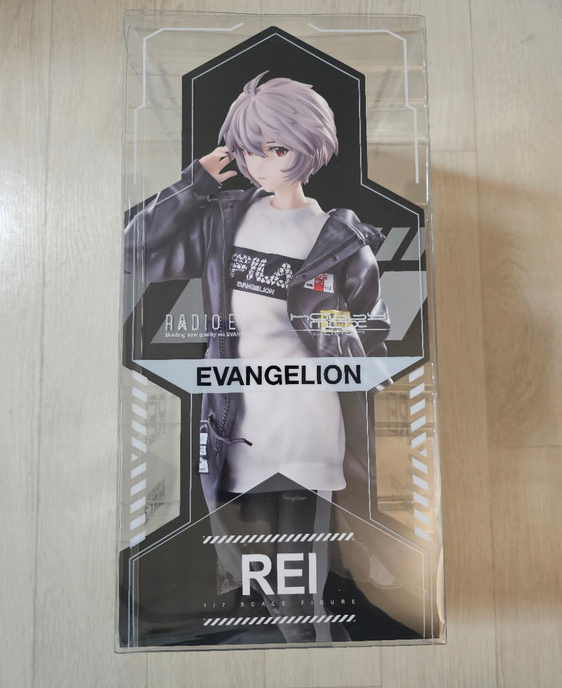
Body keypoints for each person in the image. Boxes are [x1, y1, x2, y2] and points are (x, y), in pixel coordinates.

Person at [124, 72, 391, 642]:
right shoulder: (226, 220)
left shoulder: (340, 238)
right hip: (235, 430)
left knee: (297, 589)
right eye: (249, 150)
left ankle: (324, 661)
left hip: (306, 427)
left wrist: (322, 321)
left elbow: (373, 335)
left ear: (309, 147)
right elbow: (132, 251)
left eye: (276, 149)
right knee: (260, 580)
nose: (260, 162)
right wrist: (194, 183)